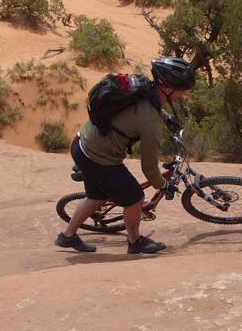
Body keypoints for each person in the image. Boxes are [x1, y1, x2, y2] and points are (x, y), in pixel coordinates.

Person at [55, 57, 196, 254]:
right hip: (99, 158)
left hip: (81, 143)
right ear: (168, 88)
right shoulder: (151, 124)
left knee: (96, 197)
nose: (183, 94)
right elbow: (149, 168)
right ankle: (135, 240)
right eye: (181, 89)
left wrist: (167, 118)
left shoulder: (144, 87)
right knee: (135, 199)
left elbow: (146, 108)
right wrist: (164, 186)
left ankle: (67, 236)